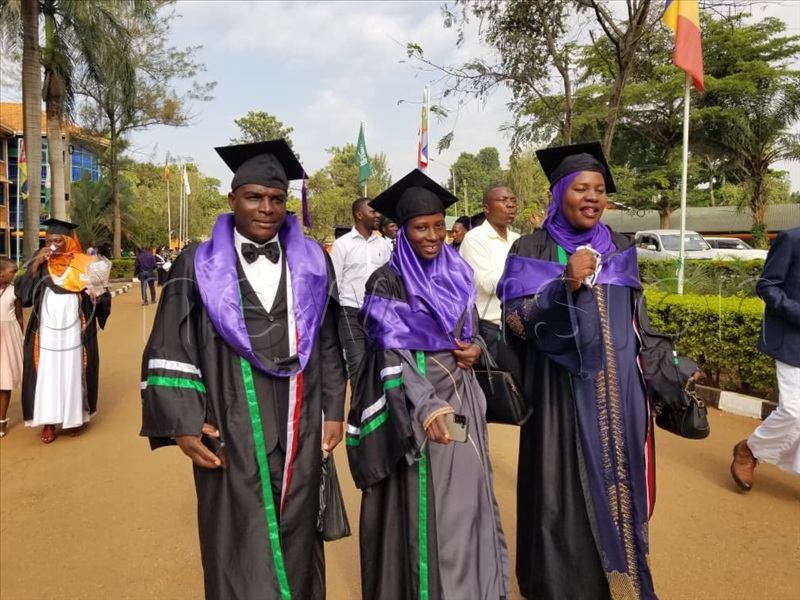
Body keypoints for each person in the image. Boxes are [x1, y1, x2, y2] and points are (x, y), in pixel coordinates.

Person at [140, 139, 346, 600]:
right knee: (235, 539)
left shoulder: (314, 262)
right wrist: (183, 422)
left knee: (298, 534)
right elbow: (170, 342)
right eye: (254, 197)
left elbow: (330, 340)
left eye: (276, 198)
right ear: (232, 199)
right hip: (229, 421)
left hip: (300, 421)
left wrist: (334, 408)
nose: (266, 209)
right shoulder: (198, 262)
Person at [498, 143, 661, 599]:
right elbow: (516, 323)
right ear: (559, 194)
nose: (592, 198)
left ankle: (622, 583)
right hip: (559, 396)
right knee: (560, 496)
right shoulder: (531, 248)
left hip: (620, 396)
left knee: (620, 488)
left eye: (600, 190)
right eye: (581, 189)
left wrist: (663, 370)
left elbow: (639, 322)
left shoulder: (621, 248)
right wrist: (563, 284)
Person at [349, 169, 509, 600]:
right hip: (418, 407)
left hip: (463, 400)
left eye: (439, 225)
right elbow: (388, 354)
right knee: (433, 504)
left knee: (470, 496)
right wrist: (425, 403)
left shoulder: (458, 271)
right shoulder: (387, 281)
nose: (433, 235)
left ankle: (475, 589)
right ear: (402, 231)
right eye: (421, 227)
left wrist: (477, 348)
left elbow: (475, 328)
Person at [16, 219, 112, 444]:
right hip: (46, 329)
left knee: (73, 368)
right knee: (47, 370)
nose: (52, 245)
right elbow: (24, 294)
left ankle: (74, 416)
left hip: (75, 326)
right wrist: (34, 265)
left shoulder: (85, 263)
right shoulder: (42, 263)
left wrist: (97, 297)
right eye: (48, 240)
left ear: (68, 241)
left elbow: (101, 294)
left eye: (57, 240)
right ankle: (48, 422)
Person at [731, 226, 800, 491]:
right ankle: (749, 450)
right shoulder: (791, 239)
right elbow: (767, 286)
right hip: (793, 340)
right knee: (794, 412)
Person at [330, 197, 392, 395]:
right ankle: (359, 411)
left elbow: (389, 279)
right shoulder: (342, 245)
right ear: (359, 215)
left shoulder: (383, 245)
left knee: (380, 364)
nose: (378, 215)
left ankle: (378, 410)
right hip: (351, 313)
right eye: (372, 212)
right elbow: (335, 281)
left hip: (378, 314)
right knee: (358, 364)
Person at [0, 257, 23, 438]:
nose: (15, 274)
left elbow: (19, 316)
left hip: (8, 338)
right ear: (1, 273)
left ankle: (1, 420)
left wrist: (21, 337)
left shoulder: (15, 291)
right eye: (13, 271)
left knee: (5, 379)